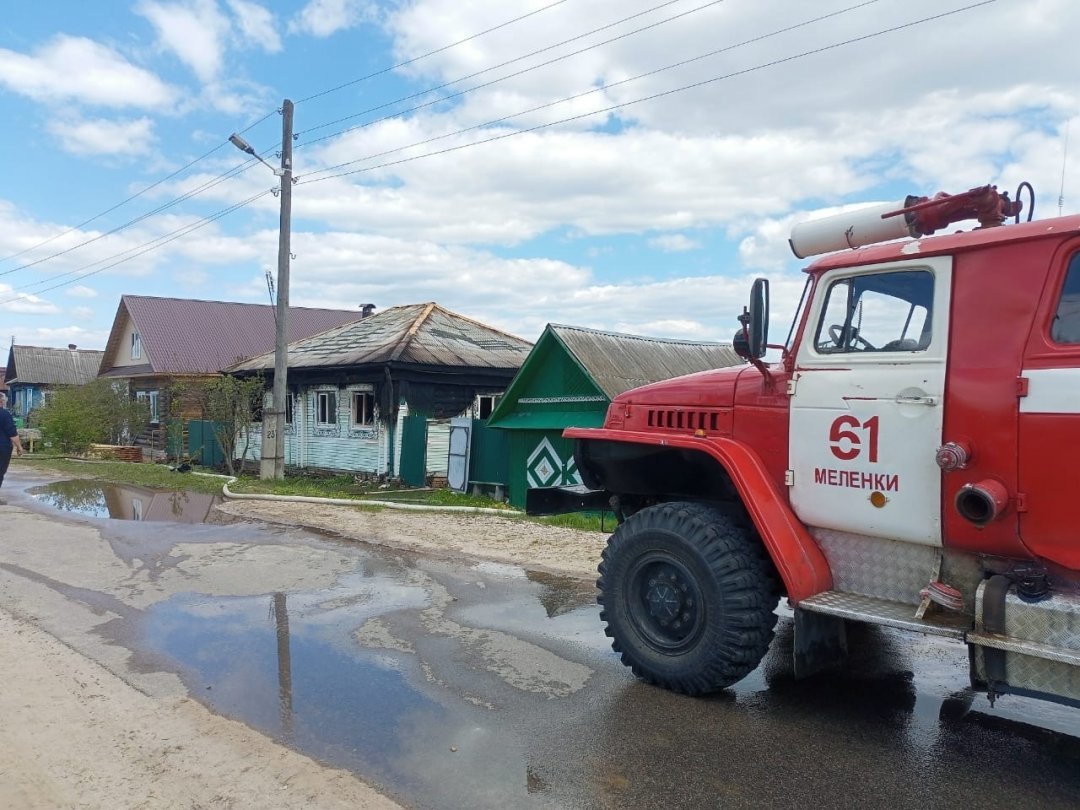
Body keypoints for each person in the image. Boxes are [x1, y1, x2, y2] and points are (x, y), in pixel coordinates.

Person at [0, 392, 24, 489]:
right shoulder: (5, 415)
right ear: (1, 402)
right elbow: (12, 433)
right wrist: (19, 447)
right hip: (2, 448)